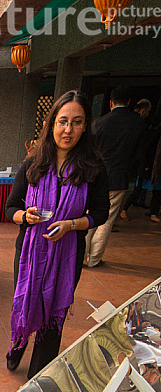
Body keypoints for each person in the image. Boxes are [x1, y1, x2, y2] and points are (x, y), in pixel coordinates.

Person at [4, 90, 109, 380]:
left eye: (77, 122)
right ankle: (18, 343)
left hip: (68, 253)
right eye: (63, 121)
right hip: (29, 252)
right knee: (27, 300)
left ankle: (39, 372)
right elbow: (10, 208)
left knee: (53, 311)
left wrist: (71, 224)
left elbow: (100, 213)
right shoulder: (33, 165)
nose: (68, 129)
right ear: (52, 124)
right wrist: (25, 217)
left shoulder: (93, 169)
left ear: (85, 126)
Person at [85, 86, 144, 267]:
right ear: (129, 103)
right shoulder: (138, 123)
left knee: (88, 219)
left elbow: (90, 151)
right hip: (118, 178)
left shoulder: (100, 123)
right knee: (106, 220)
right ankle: (94, 260)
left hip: (95, 176)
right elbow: (140, 153)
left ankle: (80, 257)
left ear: (111, 103)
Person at [120, 99, 152, 221]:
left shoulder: (130, 121)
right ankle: (123, 210)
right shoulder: (138, 123)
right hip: (131, 164)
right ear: (143, 110)